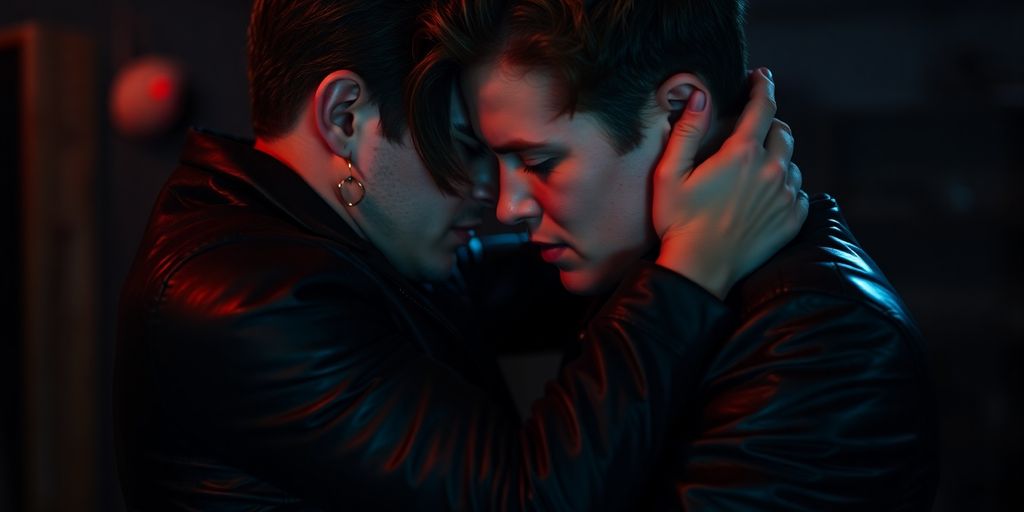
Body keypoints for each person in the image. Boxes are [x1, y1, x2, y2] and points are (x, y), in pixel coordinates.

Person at [112, 0, 805, 509]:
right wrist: (692, 267)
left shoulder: (339, 243)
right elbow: (526, 500)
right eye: (468, 147)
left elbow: (539, 277)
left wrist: (677, 194)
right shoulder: (245, 297)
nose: (496, 196)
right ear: (345, 117)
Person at [408, 0, 938, 509]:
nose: (508, 207)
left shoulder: (825, 341)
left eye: (540, 162)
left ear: (683, 110)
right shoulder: (636, 259)